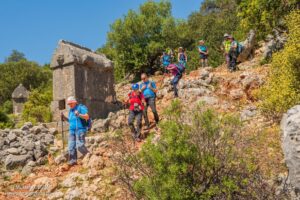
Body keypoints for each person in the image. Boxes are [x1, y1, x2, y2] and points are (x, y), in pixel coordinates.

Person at [61, 96, 89, 166]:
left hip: (80, 129)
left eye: (71, 103)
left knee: (79, 145)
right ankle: (73, 161)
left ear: (75, 102)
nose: (69, 105)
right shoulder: (71, 110)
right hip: (72, 130)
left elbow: (87, 116)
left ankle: (89, 156)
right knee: (71, 146)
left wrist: (79, 114)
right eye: (69, 104)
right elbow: (70, 121)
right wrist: (64, 118)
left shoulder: (80, 107)